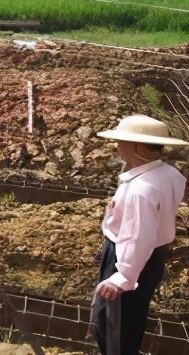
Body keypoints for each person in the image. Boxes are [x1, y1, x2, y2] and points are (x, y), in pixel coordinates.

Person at [91, 114, 188, 355]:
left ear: (136, 146)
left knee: (114, 327)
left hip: (130, 259)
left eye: (121, 142)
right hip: (152, 256)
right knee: (132, 321)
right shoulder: (169, 173)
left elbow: (136, 235)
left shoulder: (141, 189)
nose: (117, 148)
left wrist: (123, 276)